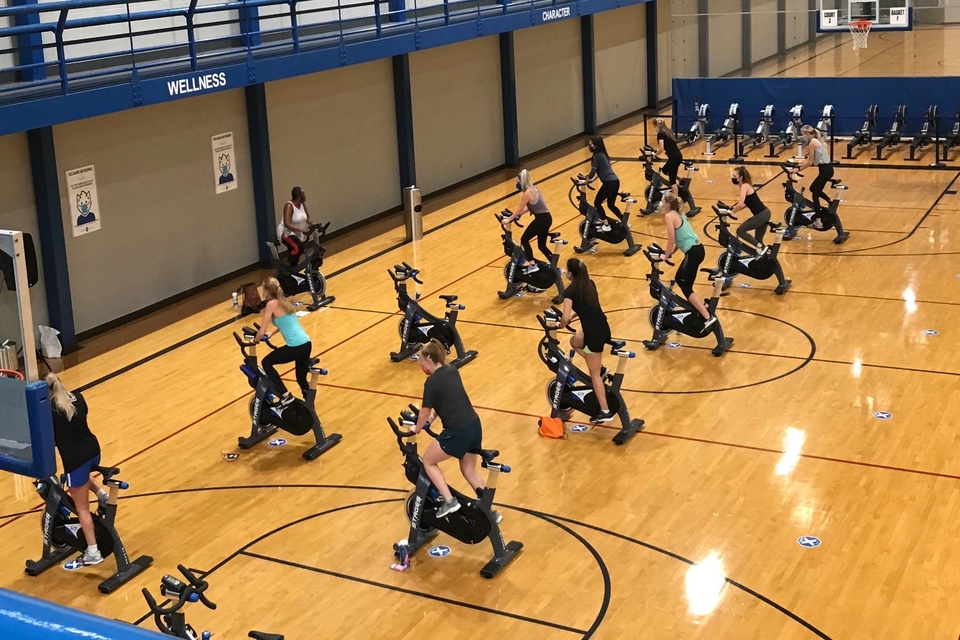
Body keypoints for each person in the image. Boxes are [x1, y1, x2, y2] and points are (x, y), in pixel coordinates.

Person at [411, 339, 497, 520]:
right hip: (474, 425)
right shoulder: (451, 370)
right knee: (468, 470)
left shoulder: (431, 381)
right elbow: (448, 398)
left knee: (428, 461)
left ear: (428, 358)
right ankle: (490, 511)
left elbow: (424, 412)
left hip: (458, 431)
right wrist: (434, 419)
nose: (421, 365)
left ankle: (449, 501)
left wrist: (417, 428)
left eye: (421, 360)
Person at [47, 373, 110, 567]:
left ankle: (93, 551)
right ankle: (101, 494)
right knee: (79, 481)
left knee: (82, 507)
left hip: (76, 460)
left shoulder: (50, 411)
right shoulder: (78, 397)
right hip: (93, 451)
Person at [559, 259, 614, 424]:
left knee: (594, 375)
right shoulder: (589, 284)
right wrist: (574, 317)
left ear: (571, 273)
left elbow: (564, 317)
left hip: (593, 335)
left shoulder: (570, 292)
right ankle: (600, 367)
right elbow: (587, 307)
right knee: (575, 341)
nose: (565, 273)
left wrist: (561, 324)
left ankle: (605, 411)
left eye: (567, 270)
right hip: (603, 328)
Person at [660, 194, 716, 328]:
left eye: (662, 202)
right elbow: (682, 237)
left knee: (685, 286)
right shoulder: (679, 213)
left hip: (693, 253)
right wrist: (672, 252)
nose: (660, 204)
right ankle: (701, 306)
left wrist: (665, 256)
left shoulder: (669, 216)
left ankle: (707, 317)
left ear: (667, 204)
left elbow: (671, 240)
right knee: (680, 278)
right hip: (698, 249)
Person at [254, 277, 313, 402]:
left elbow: (262, 330)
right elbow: (287, 323)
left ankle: (285, 395)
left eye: (263, 290)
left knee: (266, 362)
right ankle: (309, 406)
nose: (262, 293)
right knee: (301, 378)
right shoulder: (284, 301)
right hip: (306, 344)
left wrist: (254, 340)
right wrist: (273, 333)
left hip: (295, 347)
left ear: (268, 291)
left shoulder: (271, 304)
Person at [502, 169, 553, 274]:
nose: (516, 184)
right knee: (541, 246)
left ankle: (532, 264)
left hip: (541, 220)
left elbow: (519, 209)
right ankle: (554, 265)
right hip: (546, 218)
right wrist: (519, 215)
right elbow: (530, 207)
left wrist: (508, 219)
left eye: (517, 182)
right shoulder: (534, 189)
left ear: (522, 182)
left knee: (524, 239)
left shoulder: (527, 193)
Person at [654, 118, 700, 216]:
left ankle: (675, 205)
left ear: (656, 126)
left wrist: (655, 154)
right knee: (665, 170)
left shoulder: (661, 134)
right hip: (676, 156)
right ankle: (680, 179)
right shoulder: (668, 131)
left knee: (672, 183)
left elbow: (661, 148)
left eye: (654, 127)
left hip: (674, 158)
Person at [795, 125, 833, 227]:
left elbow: (810, 162)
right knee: (814, 189)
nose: (802, 137)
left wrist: (798, 169)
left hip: (825, 170)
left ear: (807, 134)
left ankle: (818, 220)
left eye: (803, 134)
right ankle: (830, 201)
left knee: (814, 192)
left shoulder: (812, 143)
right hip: (828, 169)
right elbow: (823, 149)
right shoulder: (818, 140)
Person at [729, 166, 772, 255]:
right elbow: (746, 203)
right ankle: (767, 255)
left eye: (734, 176)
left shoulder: (744, 186)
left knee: (740, 231)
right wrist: (733, 208)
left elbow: (740, 204)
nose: (732, 178)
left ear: (740, 177)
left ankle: (760, 247)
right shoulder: (746, 186)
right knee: (758, 240)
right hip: (764, 213)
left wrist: (732, 212)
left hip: (761, 215)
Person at [585, 137, 621, 232]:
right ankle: (624, 221)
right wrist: (591, 180)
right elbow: (601, 171)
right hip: (615, 181)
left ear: (595, 145)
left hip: (609, 183)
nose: (589, 147)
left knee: (597, 203)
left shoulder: (597, 156)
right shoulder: (603, 154)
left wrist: (587, 179)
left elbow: (594, 170)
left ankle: (606, 225)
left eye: (591, 145)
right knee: (611, 205)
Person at [277, 187, 313, 267]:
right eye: (303, 195)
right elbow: (287, 224)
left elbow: (307, 217)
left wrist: (313, 224)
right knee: (298, 249)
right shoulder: (289, 205)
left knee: (297, 251)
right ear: (298, 196)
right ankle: (285, 263)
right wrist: (301, 229)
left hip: (297, 233)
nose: (305, 196)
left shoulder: (302, 204)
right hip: (286, 233)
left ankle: (292, 269)